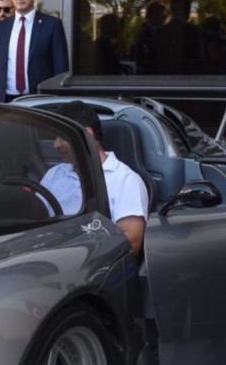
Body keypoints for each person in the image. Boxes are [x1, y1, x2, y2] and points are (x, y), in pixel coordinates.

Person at [40, 101, 148, 254]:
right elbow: (34, 219)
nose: (56, 144)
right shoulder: (54, 174)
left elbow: (131, 241)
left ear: (87, 135)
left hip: (90, 263)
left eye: (62, 136)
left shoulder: (125, 180)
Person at [0, 0, 68, 102]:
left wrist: (58, 104)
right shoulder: (0, 29)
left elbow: (60, 70)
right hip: (6, 101)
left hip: (40, 101)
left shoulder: (52, 25)